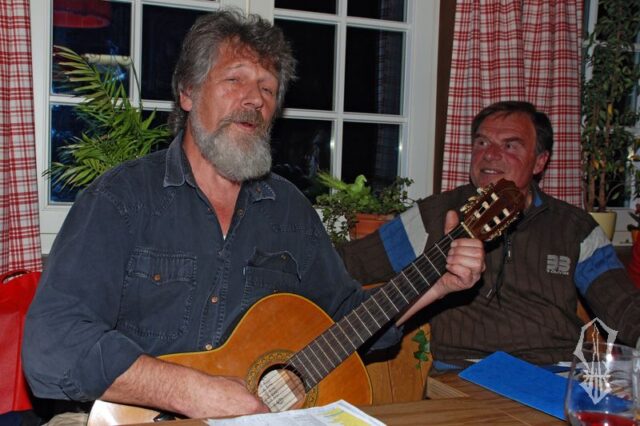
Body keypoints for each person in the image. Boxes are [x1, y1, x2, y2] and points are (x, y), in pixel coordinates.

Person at [22, 9, 485, 420]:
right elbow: (53, 344)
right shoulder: (121, 200)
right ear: (188, 93)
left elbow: (349, 319)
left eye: (267, 88)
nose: (255, 99)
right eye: (235, 80)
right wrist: (196, 393)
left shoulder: (290, 210)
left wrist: (437, 283)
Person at [338, 101, 640, 366]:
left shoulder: (574, 226)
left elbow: (623, 306)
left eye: (510, 146)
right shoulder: (437, 214)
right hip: (465, 372)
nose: (490, 154)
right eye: (482, 142)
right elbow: (349, 264)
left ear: (540, 161)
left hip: (558, 370)